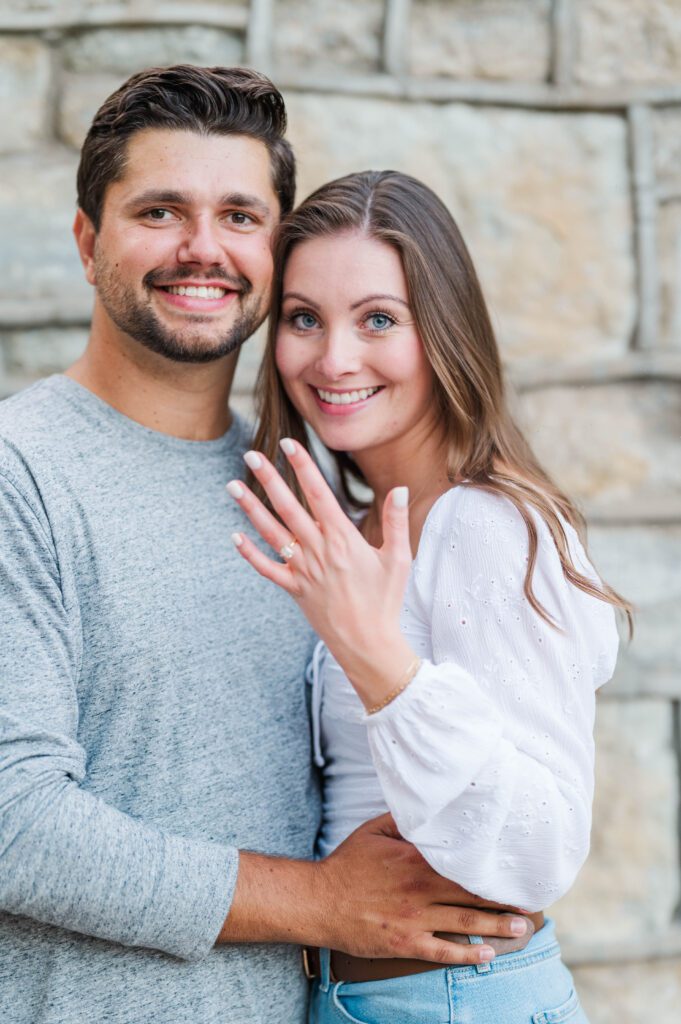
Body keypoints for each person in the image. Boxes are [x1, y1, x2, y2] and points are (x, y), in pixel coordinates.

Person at [0, 69, 532, 1024]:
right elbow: (13, 826)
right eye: (160, 210)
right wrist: (322, 901)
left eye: (240, 216)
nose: (203, 248)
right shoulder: (20, 473)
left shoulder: (300, 487)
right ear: (88, 243)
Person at [227, 169, 631, 1024]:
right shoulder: (362, 527)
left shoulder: (486, 527)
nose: (333, 358)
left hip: (451, 1004)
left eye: (378, 319)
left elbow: (540, 848)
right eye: (304, 318)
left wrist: (383, 668)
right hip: (358, 1000)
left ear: (441, 331)